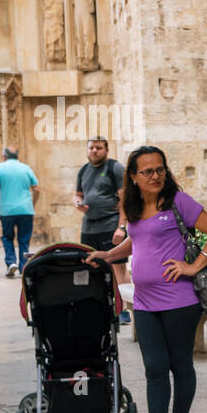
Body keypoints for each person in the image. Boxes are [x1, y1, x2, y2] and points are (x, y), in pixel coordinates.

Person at [86, 146, 207, 413]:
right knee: (154, 368)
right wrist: (109, 255)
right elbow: (137, 240)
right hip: (146, 302)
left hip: (180, 301)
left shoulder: (178, 201)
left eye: (159, 169)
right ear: (133, 177)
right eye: (147, 171)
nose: (155, 176)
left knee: (180, 365)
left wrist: (194, 266)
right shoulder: (133, 206)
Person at [75, 136, 131, 323]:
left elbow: (125, 199)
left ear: (106, 150)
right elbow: (77, 195)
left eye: (98, 148)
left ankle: (124, 310)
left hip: (111, 225)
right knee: (90, 266)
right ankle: (99, 307)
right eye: (91, 147)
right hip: (89, 227)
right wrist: (78, 203)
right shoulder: (83, 170)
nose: (94, 151)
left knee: (118, 268)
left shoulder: (114, 168)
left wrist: (121, 227)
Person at [0, 146, 40, 277]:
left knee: (7, 237)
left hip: (7, 210)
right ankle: (23, 267)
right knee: (24, 239)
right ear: (17, 156)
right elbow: (37, 189)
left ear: (4, 156)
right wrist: (32, 204)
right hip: (26, 210)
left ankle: (11, 262)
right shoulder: (26, 168)